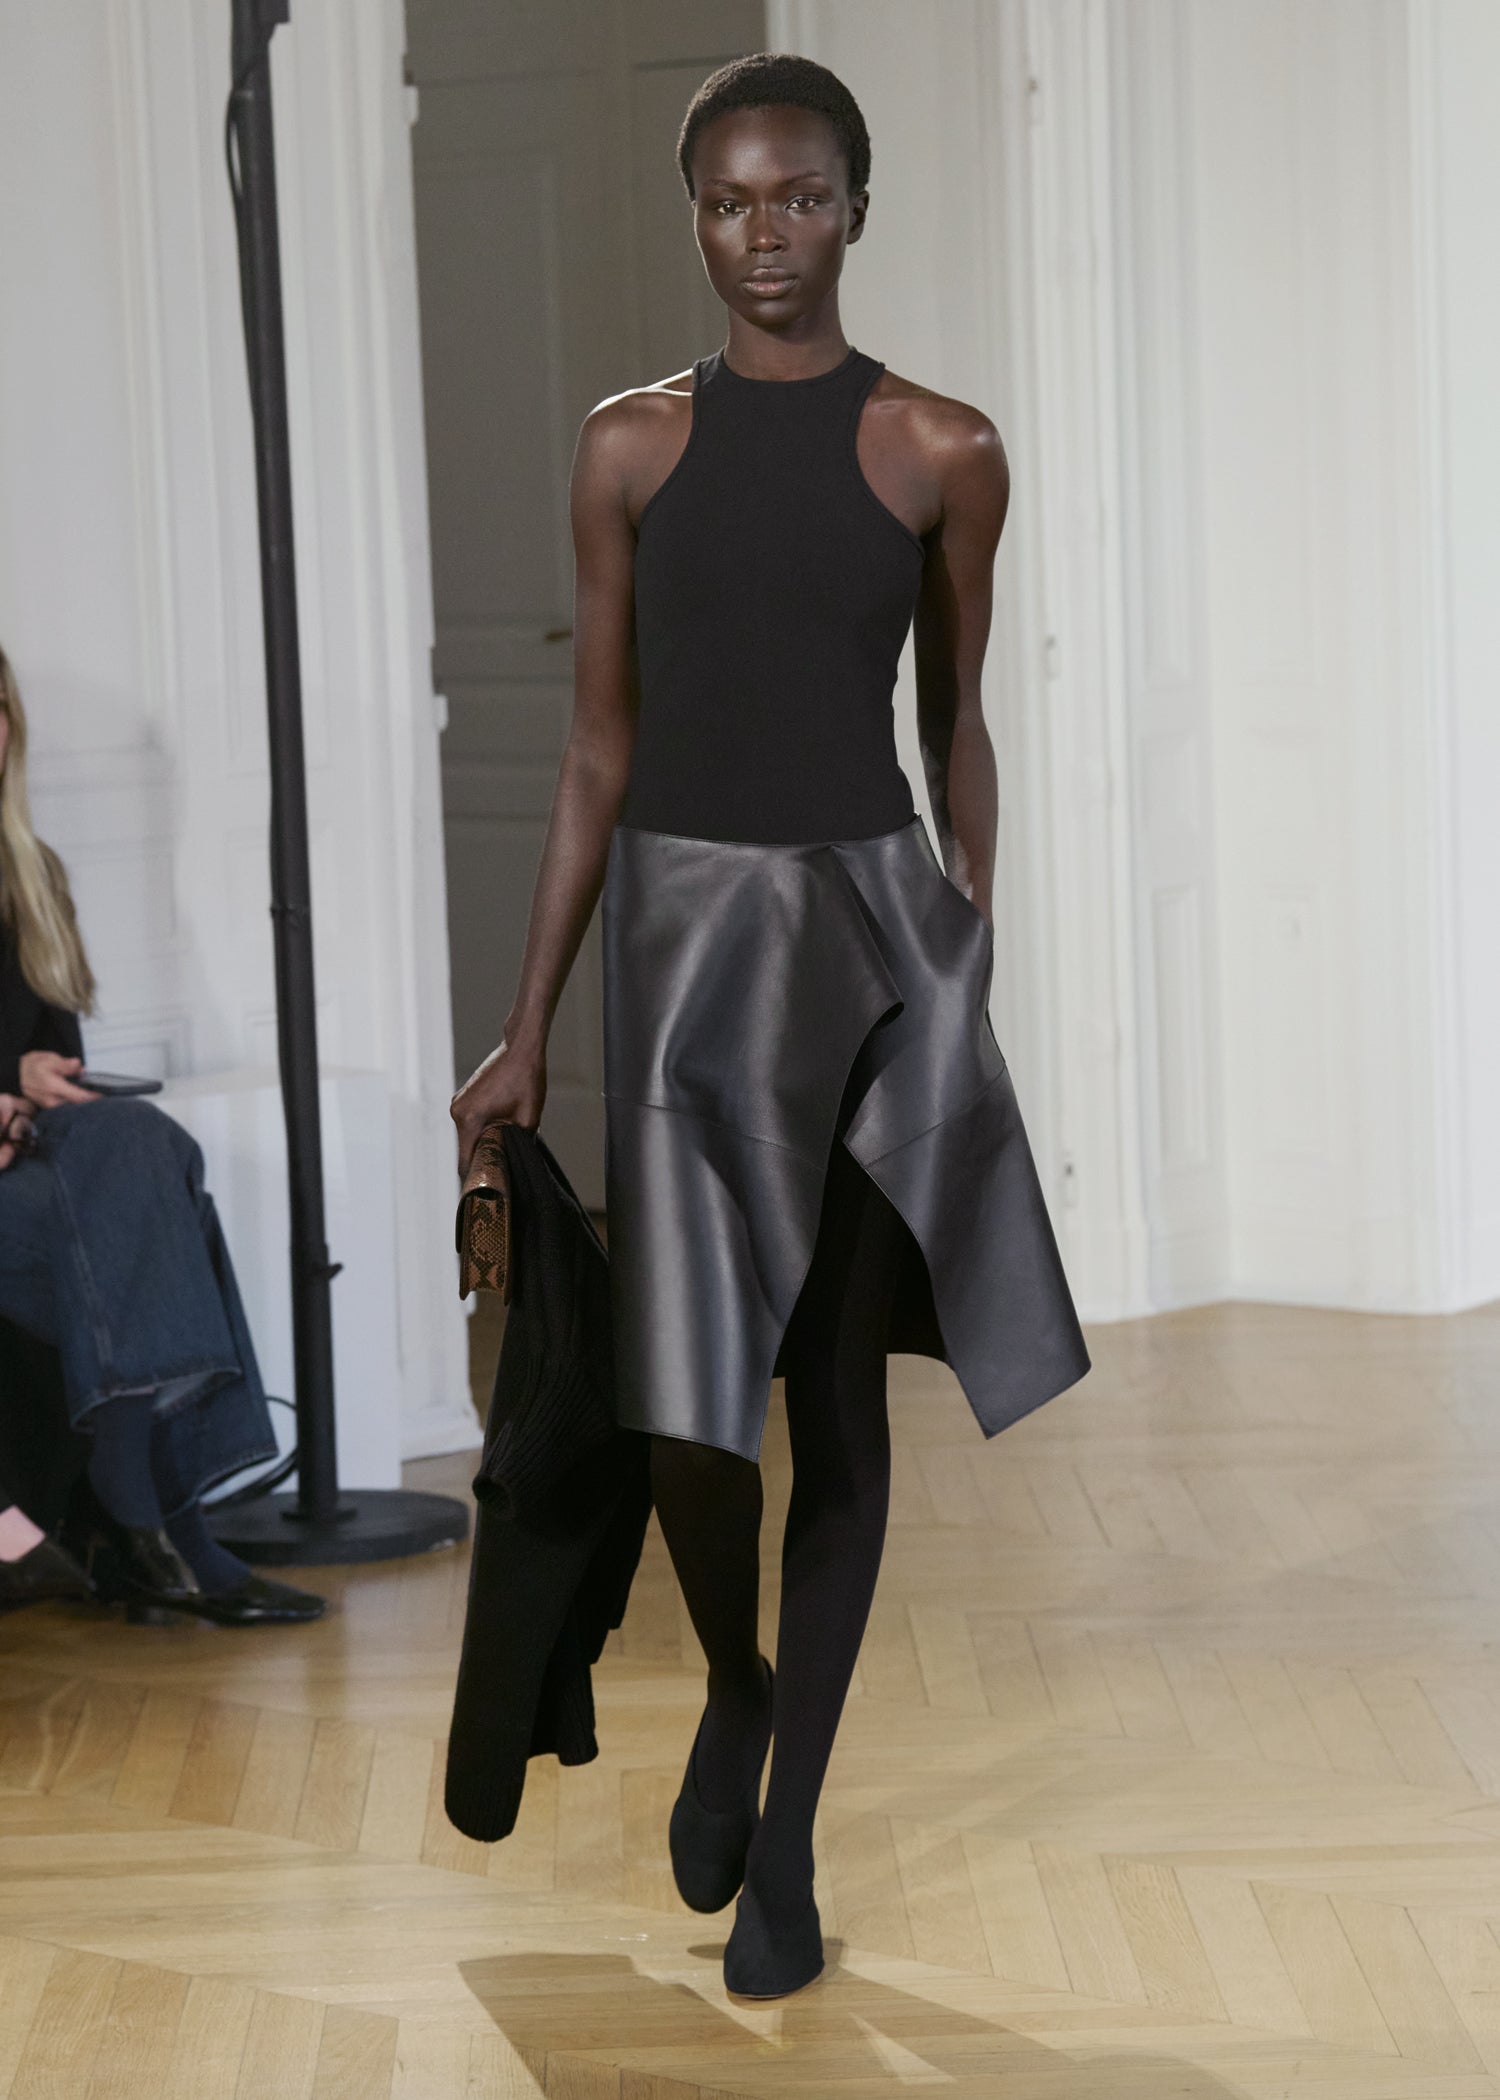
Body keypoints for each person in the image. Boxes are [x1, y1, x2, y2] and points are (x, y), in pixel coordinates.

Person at [450, 54, 1089, 1997]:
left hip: (873, 951)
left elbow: (958, 722)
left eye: (801, 197)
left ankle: (789, 1837)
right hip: (688, 954)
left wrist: (969, 928)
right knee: (688, 1418)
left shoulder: (944, 448)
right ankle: (734, 1680)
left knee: (834, 1403)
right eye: (731, 202)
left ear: (856, 208)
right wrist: (524, 1024)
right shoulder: (628, 448)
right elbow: (597, 749)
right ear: (696, 219)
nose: (767, 235)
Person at [0, 645, 323, 1627]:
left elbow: (60, 1057)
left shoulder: (31, 873)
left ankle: (135, 1523)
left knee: (141, 1143)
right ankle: (157, 1525)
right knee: (141, 1211)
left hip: (25, 1164)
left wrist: (29, 1086)